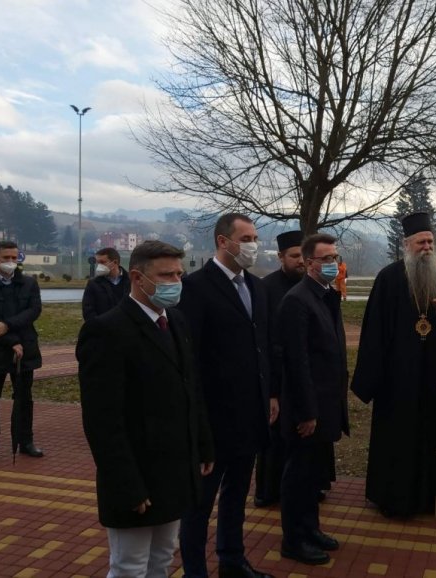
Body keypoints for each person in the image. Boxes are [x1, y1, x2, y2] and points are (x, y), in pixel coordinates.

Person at [77, 240, 214, 578]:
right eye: (166, 276)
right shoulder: (107, 331)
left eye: (179, 274)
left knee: (162, 559)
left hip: (174, 473)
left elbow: (191, 388)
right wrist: (126, 485)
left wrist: (203, 443)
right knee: (129, 566)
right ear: (137, 278)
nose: (176, 282)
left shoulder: (176, 321)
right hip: (136, 475)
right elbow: (102, 421)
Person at [352, 211, 436, 518]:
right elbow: (373, 332)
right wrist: (373, 378)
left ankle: (430, 497)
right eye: (421, 242)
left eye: (431, 242)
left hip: (432, 377)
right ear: (407, 245)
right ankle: (394, 500)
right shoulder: (388, 278)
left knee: (430, 437)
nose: (427, 248)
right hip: (396, 380)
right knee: (398, 439)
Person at [178, 213, 275, 578]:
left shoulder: (256, 286)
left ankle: (232, 560)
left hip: (250, 414)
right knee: (200, 504)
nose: (253, 245)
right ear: (223, 241)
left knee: (236, 495)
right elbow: (190, 358)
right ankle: (195, 571)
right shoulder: (195, 287)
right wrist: (198, 418)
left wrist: (271, 394)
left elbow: (263, 345)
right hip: (214, 418)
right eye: (246, 238)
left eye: (255, 238)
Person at [278, 234, 349, 565]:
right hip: (308, 410)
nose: (333, 263)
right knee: (298, 476)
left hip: (326, 404)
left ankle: (310, 528)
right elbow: (297, 362)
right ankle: (293, 540)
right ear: (309, 263)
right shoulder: (298, 300)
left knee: (314, 475)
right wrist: (306, 412)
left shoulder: (325, 295)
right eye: (326, 259)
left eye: (335, 257)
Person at [0, 240, 43, 467]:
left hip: (25, 350)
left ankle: (25, 441)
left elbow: (33, 311)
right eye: (6, 258)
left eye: (15, 258)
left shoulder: (29, 283)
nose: (11, 262)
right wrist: (11, 341)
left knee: (24, 399)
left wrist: (8, 326)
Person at [253, 230, 305, 508]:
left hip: (304, 374)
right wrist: (271, 390)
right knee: (275, 437)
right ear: (281, 257)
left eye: (303, 255)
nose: (300, 261)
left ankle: (307, 487)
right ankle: (269, 490)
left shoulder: (311, 285)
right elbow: (264, 337)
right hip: (277, 374)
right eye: (294, 256)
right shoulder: (266, 288)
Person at [82, 247, 131, 321]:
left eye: (102, 262)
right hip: (102, 326)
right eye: (98, 263)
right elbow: (88, 311)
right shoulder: (93, 284)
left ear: (115, 262)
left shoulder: (132, 281)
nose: (99, 266)